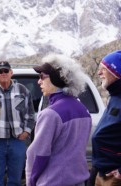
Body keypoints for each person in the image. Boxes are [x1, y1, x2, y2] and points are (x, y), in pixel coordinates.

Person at [25, 54, 92, 186]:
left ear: (57, 78)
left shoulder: (51, 114)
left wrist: (30, 182)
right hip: (79, 181)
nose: (39, 81)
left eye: (42, 76)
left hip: (53, 181)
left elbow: (38, 155)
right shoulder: (84, 110)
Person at [0, 61, 35, 186]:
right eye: (0, 71)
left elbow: (30, 115)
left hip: (17, 141)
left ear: (11, 73)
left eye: (6, 71)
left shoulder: (22, 90)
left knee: (15, 181)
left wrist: (26, 132)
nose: (3, 73)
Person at [91, 51, 121, 185]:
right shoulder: (114, 97)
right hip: (102, 171)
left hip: (114, 176)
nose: (99, 73)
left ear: (116, 72)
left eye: (104, 69)